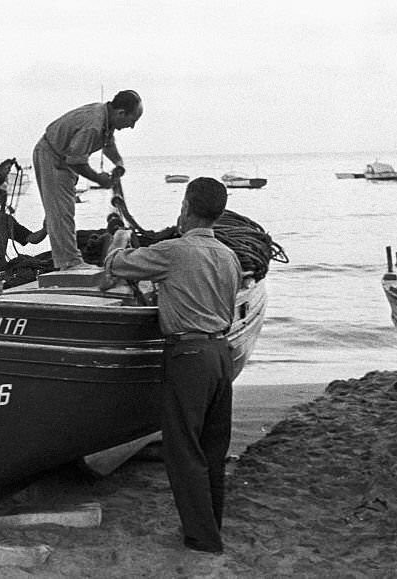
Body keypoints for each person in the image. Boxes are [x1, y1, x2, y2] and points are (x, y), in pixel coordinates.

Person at [100, 177, 242, 553]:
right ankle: (211, 525)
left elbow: (117, 265)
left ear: (186, 207)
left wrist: (118, 239)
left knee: (183, 451)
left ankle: (203, 539)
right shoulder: (229, 256)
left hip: (189, 357)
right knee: (212, 450)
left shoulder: (175, 252)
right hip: (221, 353)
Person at [32, 90, 143, 270]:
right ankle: (69, 262)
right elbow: (76, 161)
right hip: (51, 155)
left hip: (64, 157)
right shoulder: (93, 124)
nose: (132, 126)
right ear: (121, 113)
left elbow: (108, 144)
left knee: (62, 207)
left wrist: (118, 163)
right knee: (62, 211)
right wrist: (99, 179)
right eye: (133, 120)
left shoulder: (106, 118)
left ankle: (52, 229)